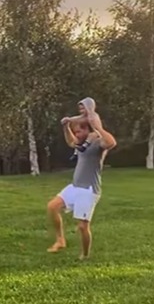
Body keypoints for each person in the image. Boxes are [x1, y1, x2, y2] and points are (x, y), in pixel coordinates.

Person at [47, 97, 117, 259]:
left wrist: (98, 127)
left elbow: (111, 142)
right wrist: (66, 127)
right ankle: (60, 240)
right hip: (75, 186)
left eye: (79, 131)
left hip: (88, 190)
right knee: (52, 207)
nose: (76, 135)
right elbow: (71, 142)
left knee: (82, 227)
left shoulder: (97, 142)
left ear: (87, 130)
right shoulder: (82, 144)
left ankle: (85, 255)